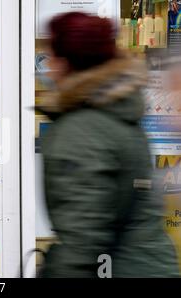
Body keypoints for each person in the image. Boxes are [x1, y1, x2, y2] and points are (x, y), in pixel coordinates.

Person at [37, 12, 180, 278]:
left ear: (67, 62)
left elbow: (83, 238)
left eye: (52, 55)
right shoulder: (120, 112)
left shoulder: (83, 129)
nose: (49, 65)